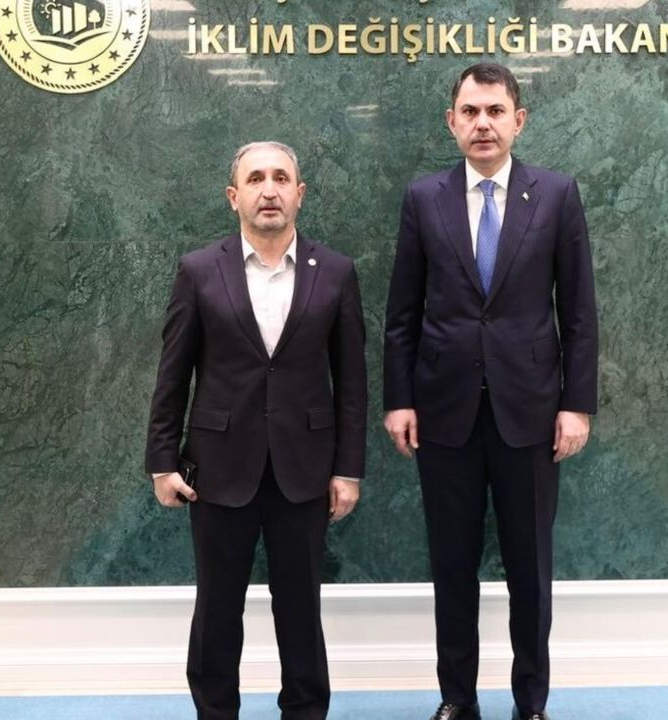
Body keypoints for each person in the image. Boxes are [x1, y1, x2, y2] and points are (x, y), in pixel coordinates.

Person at [382, 63, 599, 720]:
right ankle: (458, 698)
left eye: (495, 111)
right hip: (443, 412)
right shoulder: (423, 198)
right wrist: (398, 400)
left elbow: (579, 313)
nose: (483, 123)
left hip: (530, 413)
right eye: (471, 112)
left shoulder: (556, 195)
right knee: (452, 567)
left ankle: (531, 703)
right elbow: (401, 313)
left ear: (518, 121)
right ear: (451, 122)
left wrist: (576, 404)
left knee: (529, 570)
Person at [146, 141, 367, 720]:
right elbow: (173, 374)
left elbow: (352, 383)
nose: (269, 190)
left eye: (281, 178)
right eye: (255, 179)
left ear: (300, 193)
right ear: (233, 196)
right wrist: (162, 461)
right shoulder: (199, 271)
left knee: (301, 608)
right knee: (217, 608)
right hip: (218, 469)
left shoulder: (336, 272)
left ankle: (305, 711)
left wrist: (348, 469)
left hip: (305, 471)